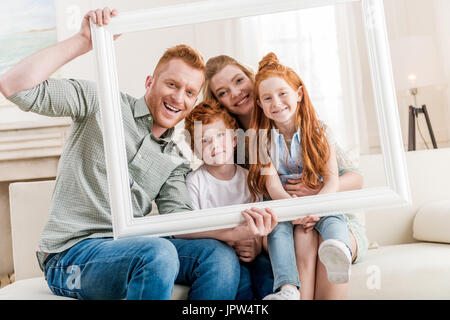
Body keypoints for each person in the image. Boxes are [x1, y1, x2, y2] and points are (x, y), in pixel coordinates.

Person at [0, 8, 270, 300]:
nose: (179, 98)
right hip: (71, 255)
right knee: (157, 252)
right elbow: (14, 86)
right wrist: (82, 41)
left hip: (133, 247)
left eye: (190, 92)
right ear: (149, 82)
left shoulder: (176, 158)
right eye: (172, 84)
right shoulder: (100, 101)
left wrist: (237, 234)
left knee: (219, 258)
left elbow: (180, 221)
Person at [203, 54, 368, 299]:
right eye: (223, 92)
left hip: (328, 216)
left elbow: (354, 178)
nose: (236, 93)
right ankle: (289, 289)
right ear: (218, 101)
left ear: (253, 79)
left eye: (239, 81)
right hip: (282, 222)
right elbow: (232, 200)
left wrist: (314, 196)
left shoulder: (310, 128)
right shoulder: (228, 145)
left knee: (317, 238)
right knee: (301, 235)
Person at [183, 100, 276, 300]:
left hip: (251, 252)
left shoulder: (249, 179)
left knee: (267, 276)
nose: (214, 145)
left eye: (219, 135)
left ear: (234, 139)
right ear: (196, 150)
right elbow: (190, 229)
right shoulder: (195, 182)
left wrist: (257, 245)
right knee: (241, 283)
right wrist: (229, 238)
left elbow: (262, 221)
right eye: (204, 140)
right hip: (221, 254)